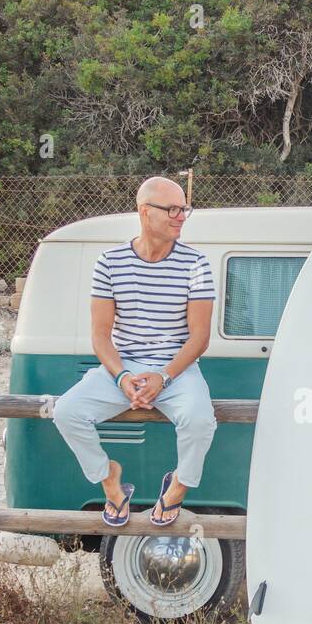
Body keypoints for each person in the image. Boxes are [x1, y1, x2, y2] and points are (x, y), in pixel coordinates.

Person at [53, 176, 217, 528]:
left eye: (184, 209)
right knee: (66, 411)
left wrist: (165, 375)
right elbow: (100, 337)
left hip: (177, 368)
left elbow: (200, 338)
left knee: (200, 421)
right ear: (145, 211)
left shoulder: (196, 264)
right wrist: (122, 376)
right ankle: (109, 479)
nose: (181, 217)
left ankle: (176, 489)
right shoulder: (109, 262)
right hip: (124, 365)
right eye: (172, 209)